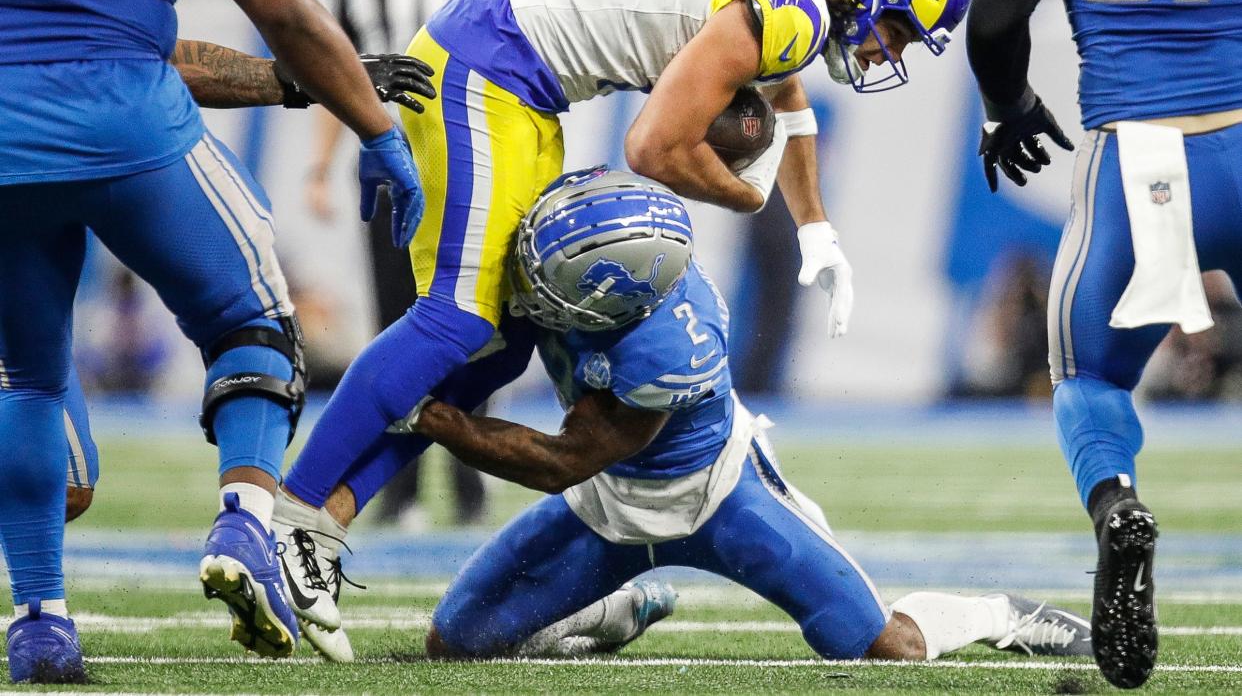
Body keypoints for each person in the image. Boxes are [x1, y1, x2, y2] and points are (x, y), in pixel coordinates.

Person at [275, 0, 978, 622]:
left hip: (517, 76)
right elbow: (653, 148)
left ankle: (329, 515)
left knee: (503, 344)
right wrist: (741, 197)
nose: (889, 52)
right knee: (455, 321)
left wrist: (816, 231)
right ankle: (291, 516)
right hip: (491, 63)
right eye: (898, 30)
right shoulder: (794, 5)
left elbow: (787, 98)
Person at [280, 168, 1093, 662]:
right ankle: (617, 610)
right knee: (454, 643)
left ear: (608, 301)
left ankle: (999, 615)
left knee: (880, 645)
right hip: (609, 510)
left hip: (718, 498)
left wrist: (434, 419)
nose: (533, 286)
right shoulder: (590, 239)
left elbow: (562, 461)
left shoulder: (674, 344)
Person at [0, 0, 431, 682]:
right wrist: (375, 130)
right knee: (254, 323)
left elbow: (107, 35)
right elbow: (285, 9)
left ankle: (39, 623)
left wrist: (289, 82)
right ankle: (244, 524)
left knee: (27, 380)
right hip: (120, 118)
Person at [965, 0, 1242, 687]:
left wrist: (1007, 103)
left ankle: (1117, 502)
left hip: (1140, 159)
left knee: (1091, 380)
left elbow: (994, 21)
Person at [306, 0, 514, 532]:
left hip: (474, 170)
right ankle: (397, 491)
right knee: (396, 329)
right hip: (387, 172)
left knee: (472, 329)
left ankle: (469, 486)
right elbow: (332, 70)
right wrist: (319, 165)